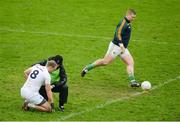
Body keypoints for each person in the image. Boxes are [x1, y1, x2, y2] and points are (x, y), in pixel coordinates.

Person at [81, 9, 140, 87]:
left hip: (123, 48)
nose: (133, 19)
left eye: (134, 17)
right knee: (105, 62)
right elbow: (117, 34)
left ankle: (132, 82)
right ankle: (87, 68)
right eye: (132, 17)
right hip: (116, 46)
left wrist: (123, 47)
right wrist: (121, 45)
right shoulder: (123, 23)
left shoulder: (128, 23)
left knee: (130, 63)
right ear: (128, 15)